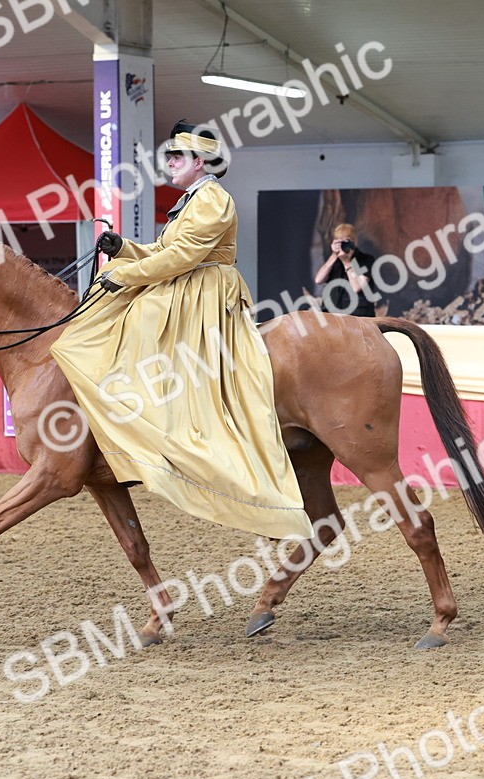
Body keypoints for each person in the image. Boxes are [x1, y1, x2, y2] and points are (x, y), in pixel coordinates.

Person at [50, 120, 311, 542]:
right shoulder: (192, 199)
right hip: (185, 281)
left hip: (204, 289)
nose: (169, 162)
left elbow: (186, 255)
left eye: (177, 156)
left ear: (201, 161)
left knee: (142, 316)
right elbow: (164, 251)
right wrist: (125, 251)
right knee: (130, 305)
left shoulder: (212, 198)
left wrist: (129, 275)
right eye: (169, 156)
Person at [313, 223, 386, 317]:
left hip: (357, 316)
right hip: (332, 315)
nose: (343, 245)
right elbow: (318, 279)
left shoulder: (365, 259)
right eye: (339, 241)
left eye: (346, 241)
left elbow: (357, 287)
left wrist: (347, 262)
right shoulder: (333, 260)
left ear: (354, 242)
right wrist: (334, 255)